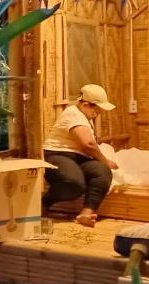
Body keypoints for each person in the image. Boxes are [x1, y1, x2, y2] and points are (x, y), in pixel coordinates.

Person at [43, 83, 118, 228]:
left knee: (102, 172)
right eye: (97, 108)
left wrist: (104, 165)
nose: (99, 112)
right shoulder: (73, 113)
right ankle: (44, 202)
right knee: (74, 183)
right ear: (85, 105)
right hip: (58, 154)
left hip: (80, 158)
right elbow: (88, 144)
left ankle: (86, 213)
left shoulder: (85, 117)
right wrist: (105, 160)